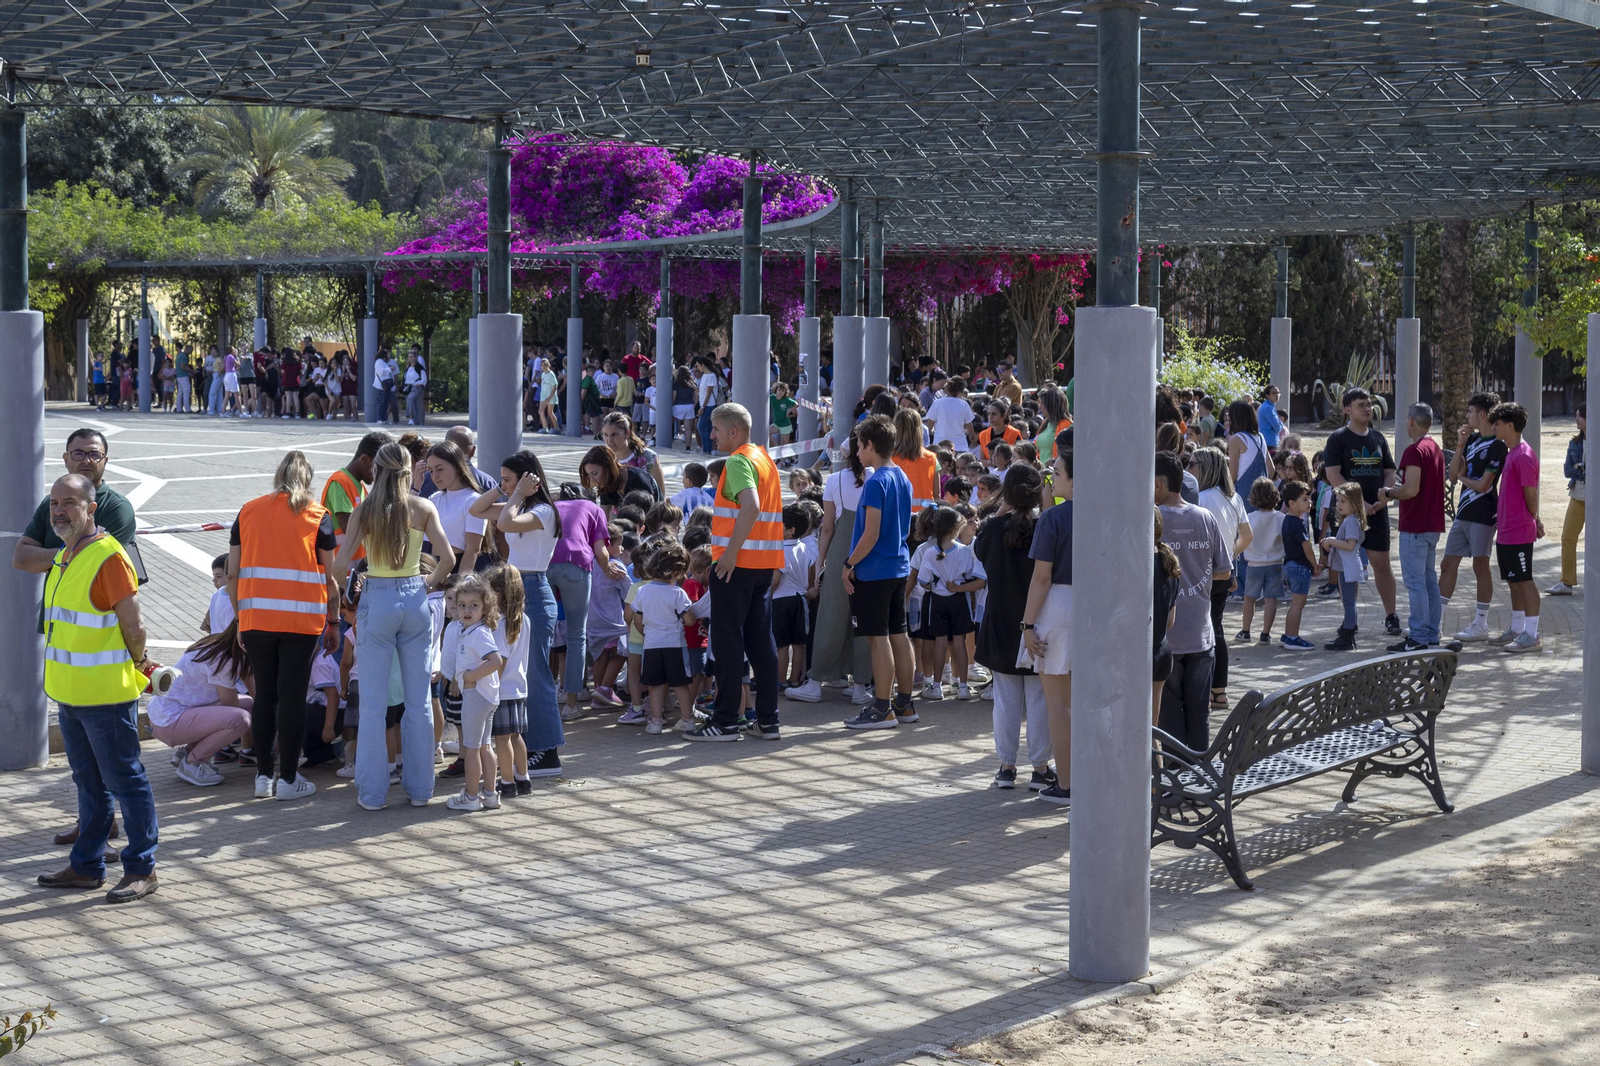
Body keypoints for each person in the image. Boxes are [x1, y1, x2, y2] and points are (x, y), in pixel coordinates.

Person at [33, 474, 160, 903]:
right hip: (70, 695)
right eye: (54, 503)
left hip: (105, 696)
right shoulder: (66, 556)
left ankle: (142, 868)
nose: (59, 510)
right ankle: (87, 866)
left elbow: (134, 624)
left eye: (69, 502)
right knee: (89, 785)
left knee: (126, 782)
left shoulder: (107, 556)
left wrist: (141, 663)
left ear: (91, 508)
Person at [331, 442, 455, 809]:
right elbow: (447, 559)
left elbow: (339, 566)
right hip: (415, 596)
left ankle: (372, 794)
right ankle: (420, 791)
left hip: (378, 596)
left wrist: (355, 585)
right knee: (418, 701)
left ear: (379, 470)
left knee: (372, 704)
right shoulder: (422, 507)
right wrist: (426, 585)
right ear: (406, 470)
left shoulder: (364, 510)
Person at [228, 452, 342, 802]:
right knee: (292, 697)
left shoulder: (248, 511)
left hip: (257, 620)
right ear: (308, 479)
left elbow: (233, 574)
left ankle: (263, 777)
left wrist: (240, 620)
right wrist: (333, 621)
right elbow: (331, 578)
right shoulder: (318, 517)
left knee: (265, 695)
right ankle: (290, 779)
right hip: (301, 621)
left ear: (278, 475)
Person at [685, 402, 786, 741]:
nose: (710, 435)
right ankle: (768, 720)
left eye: (714, 429)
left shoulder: (739, 460)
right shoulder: (762, 457)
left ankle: (726, 720)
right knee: (761, 642)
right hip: (763, 565)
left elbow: (752, 505)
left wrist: (728, 555)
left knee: (727, 642)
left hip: (736, 566)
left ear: (733, 431)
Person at [972, 464, 1058, 798]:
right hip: (1038, 623)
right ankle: (1040, 768)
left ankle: (1006, 767)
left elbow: (980, 555)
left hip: (998, 622)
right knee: (1040, 700)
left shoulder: (991, 530)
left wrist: (1002, 508)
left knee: (1005, 702)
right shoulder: (1045, 526)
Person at [484, 452, 567, 779]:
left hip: (532, 589)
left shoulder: (544, 511)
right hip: (519, 590)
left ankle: (547, 752)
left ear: (527, 478)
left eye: (508, 478)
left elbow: (503, 524)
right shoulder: (525, 507)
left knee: (536, 675)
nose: (503, 484)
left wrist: (516, 494)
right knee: (522, 675)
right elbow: (476, 511)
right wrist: (506, 492)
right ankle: (534, 749)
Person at [838, 414, 918, 731]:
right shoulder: (902, 477)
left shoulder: (875, 481)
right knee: (899, 633)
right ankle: (905, 702)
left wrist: (848, 564)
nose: (857, 452)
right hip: (898, 565)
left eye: (859, 445)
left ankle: (882, 707)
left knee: (878, 637)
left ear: (870, 444)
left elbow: (870, 534)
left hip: (874, 569)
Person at [1157, 451, 1231, 752]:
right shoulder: (1205, 517)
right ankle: (1199, 779)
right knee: (1199, 715)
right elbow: (1224, 571)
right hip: (1202, 633)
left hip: (1168, 636)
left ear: (1159, 485)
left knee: (1170, 717)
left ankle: (1177, 786)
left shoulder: (1153, 519)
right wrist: (1195, 584)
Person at [1323, 387, 1400, 635]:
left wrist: (1385, 494)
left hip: (1377, 513)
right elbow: (1333, 475)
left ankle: (1391, 616)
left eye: (1368, 404)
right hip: (1348, 514)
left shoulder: (1378, 438)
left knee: (1382, 565)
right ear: (1347, 410)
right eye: (1361, 405)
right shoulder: (1337, 438)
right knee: (1348, 566)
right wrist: (1359, 505)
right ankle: (1350, 621)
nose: (1367, 409)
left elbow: (1390, 472)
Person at [1020, 449, 1074, 800]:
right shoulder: (1111, 511)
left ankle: (1068, 783)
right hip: (1100, 610)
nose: (1053, 479)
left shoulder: (1053, 518)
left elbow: (1041, 578)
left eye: (1057, 473)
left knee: (1058, 704)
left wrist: (1026, 626)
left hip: (1057, 608)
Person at [809, 429, 876, 700]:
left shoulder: (834, 480)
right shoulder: (879, 478)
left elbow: (827, 528)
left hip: (840, 552)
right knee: (864, 618)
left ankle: (817, 680)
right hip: (872, 553)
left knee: (831, 615)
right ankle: (861, 684)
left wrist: (821, 560)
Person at [549, 482, 624, 722]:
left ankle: (541, 699)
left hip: (543, 566)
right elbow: (600, 550)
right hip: (576, 565)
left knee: (540, 636)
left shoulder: (550, 506)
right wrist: (607, 568)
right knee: (576, 636)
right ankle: (571, 703)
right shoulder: (594, 508)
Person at [147, 620, 252, 788]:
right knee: (240, 718)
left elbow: (254, 694)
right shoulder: (225, 658)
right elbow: (230, 704)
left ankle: (186, 754)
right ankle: (193, 763)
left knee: (248, 704)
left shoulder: (218, 644)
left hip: (167, 715)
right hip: (170, 721)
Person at [1383, 403, 1449, 652]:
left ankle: (1419, 636)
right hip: (1433, 525)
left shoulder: (1414, 450)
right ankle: (1431, 633)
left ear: (1411, 421)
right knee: (1429, 580)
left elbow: (1410, 489)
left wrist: (1387, 492)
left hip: (1416, 526)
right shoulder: (1435, 448)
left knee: (1416, 583)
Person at [1442, 392, 1505, 641]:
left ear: (1482, 414)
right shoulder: (1472, 440)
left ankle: (1481, 624)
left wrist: (1464, 479)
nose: (1466, 417)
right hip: (1463, 512)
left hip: (1484, 514)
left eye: (1470, 412)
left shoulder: (1498, 445)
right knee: (1447, 564)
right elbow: (1452, 473)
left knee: (1480, 566)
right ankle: (1434, 621)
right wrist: (1459, 443)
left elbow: (1483, 486)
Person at [1190, 448, 1249, 710]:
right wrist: (1229, 556)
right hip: (1224, 573)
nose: (1188, 469)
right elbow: (1246, 536)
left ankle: (1206, 690)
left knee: (1203, 632)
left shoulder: (1201, 499)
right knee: (1217, 629)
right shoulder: (1233, 498)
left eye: (1192, 464)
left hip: (1203, 573)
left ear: (1204, 468)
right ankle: (1219, 691)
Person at [441, 573, 506, 812]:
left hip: (477, 696)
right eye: (462, 605)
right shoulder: (471, 630)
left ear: (485, 607)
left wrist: (468, 677)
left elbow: (496, 660)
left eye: (474, 606)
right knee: (484, 746)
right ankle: (489, 795)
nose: (466, 610)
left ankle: (470, 797)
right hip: (486, 697)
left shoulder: (477, 633)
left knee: (470, 748)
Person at [1487, 402, 1544, 653]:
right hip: (1506, 533)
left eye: (1497, 423)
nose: (1494, 427)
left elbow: (1531, 495)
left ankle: (1532, 636)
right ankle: (1518, 628)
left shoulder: (1523, 455)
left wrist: (1536, 519)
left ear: (1510, 426)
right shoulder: (1511, 453)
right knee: (1513, 581)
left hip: (1520, 531)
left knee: (1525, 581)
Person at [322, 431, 394, 560]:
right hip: (342, 568)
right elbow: (349, 527)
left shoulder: (360, 487)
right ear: (365, 459)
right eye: (378, 468)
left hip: (353, 566)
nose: (381, 473)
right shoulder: (340, 482)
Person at [426, 441, 490, 574]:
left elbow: (473, 549)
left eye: (440, 469)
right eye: (431, 471)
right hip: (432, 567)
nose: (435, 476)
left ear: (456, 466)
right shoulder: (434, 499)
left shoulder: (473, 500)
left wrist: (458, 585)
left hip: (458, 568)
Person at [1319, 483, 1369, 650]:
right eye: (1338, 501)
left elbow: (1349, 545)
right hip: (1344, 567)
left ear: (1354, 503)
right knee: (1348, 601)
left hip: (1348, 568)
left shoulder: (1352, 522)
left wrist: (1332, 541)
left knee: (1349, 602)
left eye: (1343, 501)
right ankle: (1348, 626)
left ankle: (1348, 635)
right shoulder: (1350, 520)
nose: (1338, 505)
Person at [1237, 478, 1284, 643]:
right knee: (1271, 599)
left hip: (1254, 564)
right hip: (1276, 563)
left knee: (1249, 598)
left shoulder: (1250, 518)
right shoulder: (1281, 518)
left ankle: (1246, 631)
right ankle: (1265, 633)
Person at [1277, 481, 1322, 651]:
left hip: (1289, 565)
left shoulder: (1287, 520)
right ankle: (1293, 638)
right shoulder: (1297, 523)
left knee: (1295, 603)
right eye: (1305, 499)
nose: (1309, 502)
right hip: (1299, 567)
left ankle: (1288, 635)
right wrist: (1315, 564)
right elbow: (1307, 547)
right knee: (1298, 603)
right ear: (1291, 503)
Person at [1550, 404, 1586, 596]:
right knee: (1567, 538)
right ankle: (1566, 582)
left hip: (1594, 499)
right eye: (1576, 416)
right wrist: (1582, 470)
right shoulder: (1574, 443)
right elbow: (1567, 470)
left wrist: (1582, 469)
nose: (1577, 419)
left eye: (1581, 416)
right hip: (1577, 496)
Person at [602, 412, 666, 498]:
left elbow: (660, 494)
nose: (609, 440)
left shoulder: (648, 457)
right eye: (606, 435)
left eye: (615, 434)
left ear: (627, 433)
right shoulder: (604, 459)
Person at [581, 444, 660, 514]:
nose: (592, 480)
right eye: (589, 475)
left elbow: (649, 515)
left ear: (608, 467)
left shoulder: (638, 479)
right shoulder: (606, 483)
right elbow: (604, 519)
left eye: (594, 474)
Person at [891, 407, 940, 515]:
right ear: (919, 429)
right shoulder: (931, 458)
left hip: (897, 518)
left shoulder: (888, 459)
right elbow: (937, 495)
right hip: (924, 519)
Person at [925, 376, 976, 449]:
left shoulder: (937, 403)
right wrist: (960, 432)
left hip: (940, 446)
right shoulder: (964, 404)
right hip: (960, 446)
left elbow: (929, 428)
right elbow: (971, 431)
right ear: (960, 391)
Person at [403, 346, 428, 426]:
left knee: (412, 400)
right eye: (409, 357)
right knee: (415, 403)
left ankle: (411, 418)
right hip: (408, 388)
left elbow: (424, 379)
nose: (410, 359)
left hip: (417, 387)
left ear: (416, 357)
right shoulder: (408, 368)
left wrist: (417, 384)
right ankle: (416, 420)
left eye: (412, 357)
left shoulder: (419, 368)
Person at [373, 348, 399, 424]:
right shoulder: (379, 361)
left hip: (386, 386)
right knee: (381, 402)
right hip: (381, 386)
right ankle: (379, 419)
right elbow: (381, 372)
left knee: (385, 403)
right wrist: (390, 369)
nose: (389, 356)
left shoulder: (383, 362)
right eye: (388, 354)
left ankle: (384, 419)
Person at [1257, 385, 1284, 450]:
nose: (1277, 395)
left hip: (1267, 441)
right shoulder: (1268, 408)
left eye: (1278, 393)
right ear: (1267, 395)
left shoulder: (1268, 406)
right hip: (1269, 442)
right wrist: (1281, 422)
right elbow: (1277, 428)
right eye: (1274, 393)